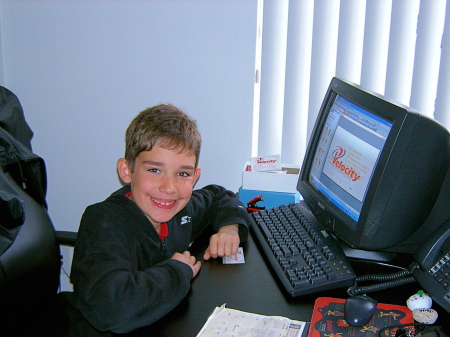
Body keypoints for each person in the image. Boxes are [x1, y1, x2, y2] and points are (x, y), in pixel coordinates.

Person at [67, 104, 250, 335]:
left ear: (195, 176)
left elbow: (220, 195)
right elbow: (114, 310)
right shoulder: (103, 222)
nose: (169, 187)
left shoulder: (180, 210)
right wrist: (177, 271)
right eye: (154, 170)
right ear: (127, 170)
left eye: (183, 174)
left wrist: (230, 228)